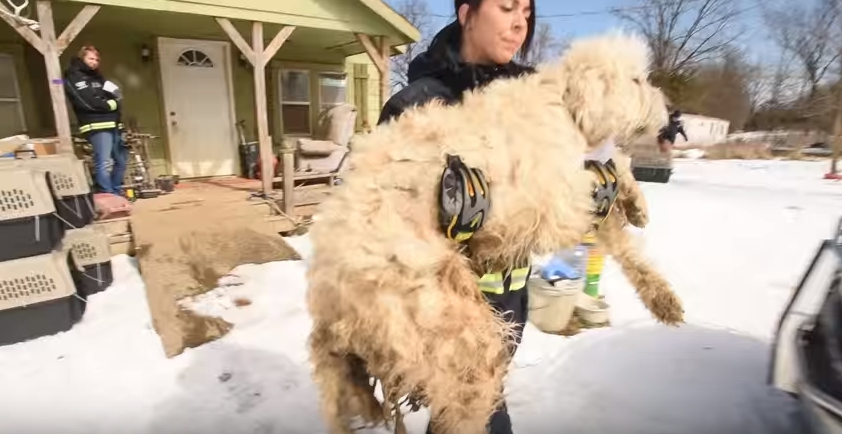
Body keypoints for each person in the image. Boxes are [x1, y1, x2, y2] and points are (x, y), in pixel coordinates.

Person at [378, 1, 618, 433]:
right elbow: (377, 224)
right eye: (506, 7)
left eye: (526, 10)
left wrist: (585, 192)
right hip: (444, 316)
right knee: (473, 412)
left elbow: (560, 180)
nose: (519, 22)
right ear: (466, 13)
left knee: (470, 410)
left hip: (509, 307)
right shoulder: (417, 104)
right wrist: (437, 218)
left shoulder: (534, 97)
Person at [64, 46, 128, 196]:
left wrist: (114, 100)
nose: (94, 62)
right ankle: (107, 194)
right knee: (104, 163)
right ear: (82, 58)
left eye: (96, 59)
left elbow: (117, 95)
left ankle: (116, 192)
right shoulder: (74, 76)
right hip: (96, 125)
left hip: (113, 124)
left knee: (121, 161)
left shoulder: (98, 77)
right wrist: (110, 104)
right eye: (90, 58)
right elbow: (88, 102)